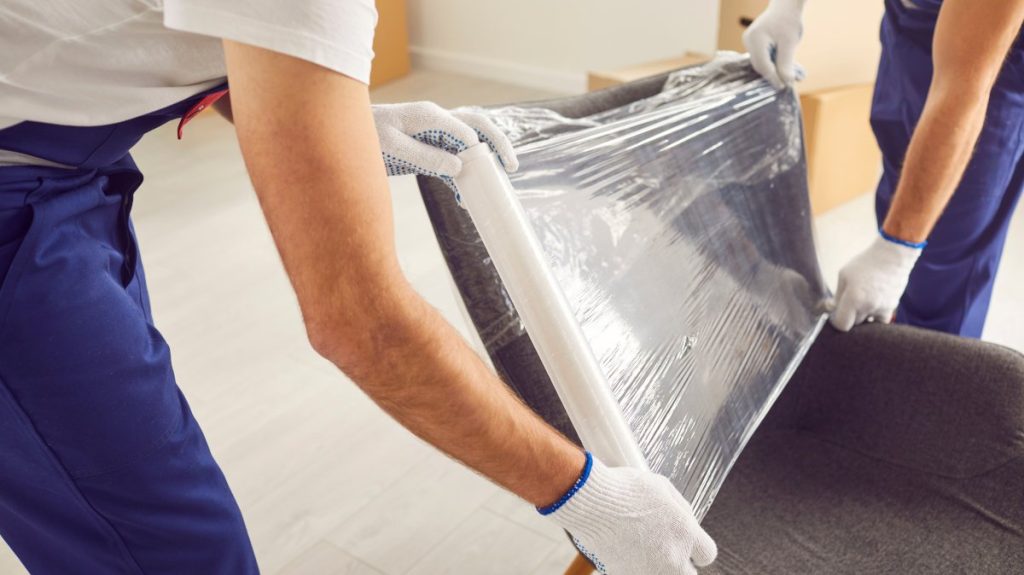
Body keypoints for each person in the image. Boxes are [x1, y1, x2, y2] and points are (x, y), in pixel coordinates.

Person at [0, 2, 716, 574]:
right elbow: (361, 322)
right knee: (171, 550)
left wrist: (334, 118)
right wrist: (590, 496)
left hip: (61, 163)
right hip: (20, 190)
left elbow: (202, 25)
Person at [744, 0, 1024, 337]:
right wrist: (787, 7)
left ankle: (928, 369)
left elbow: (963, 88)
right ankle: (895, 322)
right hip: (909, 23)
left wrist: (898, 250)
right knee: (902, 179)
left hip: (990, 56)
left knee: (943, 251)